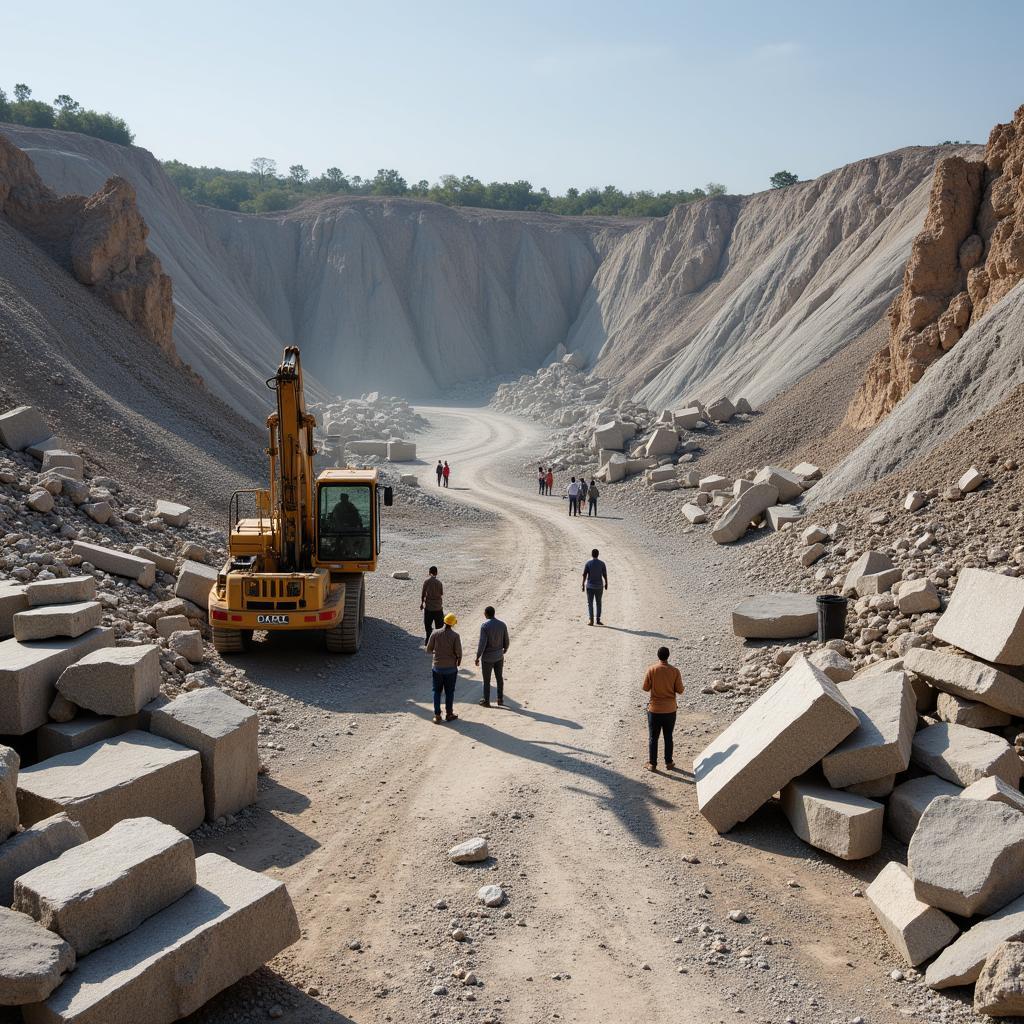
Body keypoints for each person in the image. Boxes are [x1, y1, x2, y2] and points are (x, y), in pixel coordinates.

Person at [642, 647, 684, 772]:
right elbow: (680, 690)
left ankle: (652, 764)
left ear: (658, 656)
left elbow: (645, 688)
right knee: (668, 736)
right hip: (670, 710)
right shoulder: (675, 671)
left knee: (653, 738)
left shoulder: (652, 669)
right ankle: (669, 762)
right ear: (668, 656)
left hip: (654, 709)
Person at [426, 613, 462, 723]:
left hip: (437, 668)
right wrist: (458, 661)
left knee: (437, 691)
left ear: (444, 621)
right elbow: (459, 653)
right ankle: (449, 714)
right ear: (453, 624)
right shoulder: (455, 636)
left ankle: (437, 715)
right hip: (451, 669)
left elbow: (428, 649)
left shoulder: (435, 633)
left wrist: (436, 653)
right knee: (449, 692)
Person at [475, 605, 510, 707]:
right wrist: (505, 648)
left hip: (487, 658)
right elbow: (506, 639)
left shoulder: (485, 626)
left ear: (486, 614)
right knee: (499, 678)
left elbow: (482, 643)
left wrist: (477, 656)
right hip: (499, 656)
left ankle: (486, 700)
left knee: (486, 680)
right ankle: (500, 699)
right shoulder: (502, 625)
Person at [582, 547, 608, 625]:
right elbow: (604, 574)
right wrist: (606, 583)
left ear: (592, 554)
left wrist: (583, 584)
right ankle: (598, 619)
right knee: (598, 603)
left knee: (590, 603)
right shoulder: (602, 563)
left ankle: (591, 620)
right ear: (598, 555)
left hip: (590, 586)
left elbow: (584, 574)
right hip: (599, 586)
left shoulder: (588, 563)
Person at [420, 566, 444, 644]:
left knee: (428, 626)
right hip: (438, 608)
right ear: (436, 573)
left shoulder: (426, 582)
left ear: (429, 572)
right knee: (439, 627)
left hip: (429, 608)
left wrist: (422, 603)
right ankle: (438, 643)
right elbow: (441, 593)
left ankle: (428, 640)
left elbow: (423, 594)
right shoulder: (439, 583)